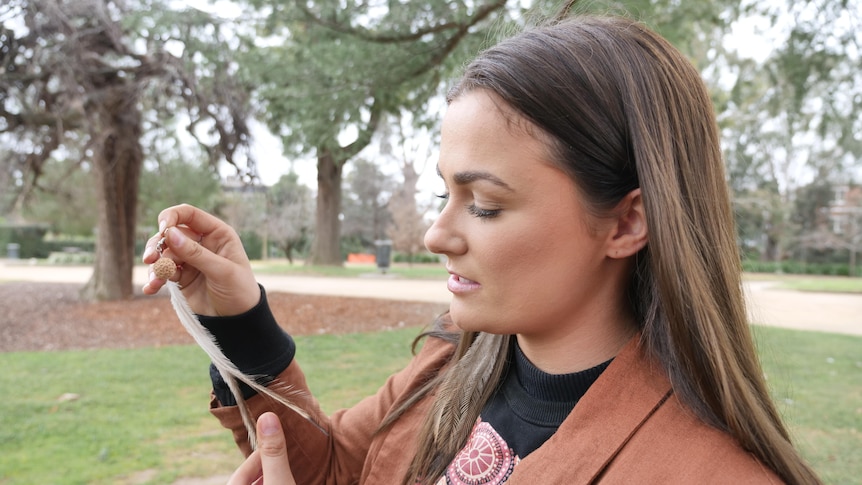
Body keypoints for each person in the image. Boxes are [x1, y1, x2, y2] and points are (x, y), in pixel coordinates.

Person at [143, 15, 820, 484]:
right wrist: (236, 320)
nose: (437, 234)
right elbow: (333, 470)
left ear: (625, 223)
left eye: (486, 204)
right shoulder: (449, 369)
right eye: (445, 193)